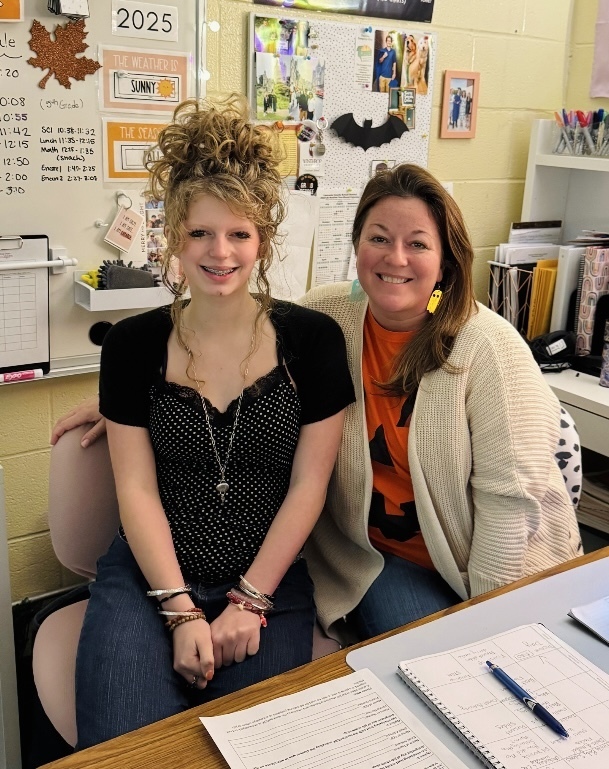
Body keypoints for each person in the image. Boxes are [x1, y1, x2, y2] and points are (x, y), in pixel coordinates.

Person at [54, 165, 582, 649]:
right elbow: (228, 352)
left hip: (487, 562)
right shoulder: (330, 318)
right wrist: (130, 404)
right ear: (356, 248)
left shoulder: (488, 347)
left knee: (469, 669)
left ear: (445, 261)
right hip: (382, 561)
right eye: (378, 239)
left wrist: (494, 625)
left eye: (417, 244)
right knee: (415, 665)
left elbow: (515, 510)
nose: (395, 259)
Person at [67, 94, 354, 749]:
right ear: (173, 236)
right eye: (199, 232)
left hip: (268, 581)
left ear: (263, 239)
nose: (218, 252)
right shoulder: (132, 346)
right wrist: (178, 610)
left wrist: (249, 600)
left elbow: (309, 487)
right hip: (149, 576)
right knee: (124, 752)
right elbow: (135, 490)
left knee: (255, 750)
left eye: (238, 233)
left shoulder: (311, 342)